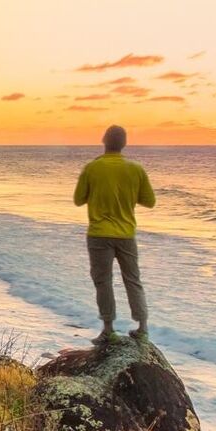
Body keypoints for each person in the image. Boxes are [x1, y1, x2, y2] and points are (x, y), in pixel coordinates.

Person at [73, 125, 154, 341]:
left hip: (99, 233)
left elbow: (78, 199)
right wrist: (125, 195)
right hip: (126, 233)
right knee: (133, 279)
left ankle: (108, 328)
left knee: (103, 280)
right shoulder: (135, 169)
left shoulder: (92, 168)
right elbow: (149, 201)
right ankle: (143, 326)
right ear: (124, 144)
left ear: (104, 141)